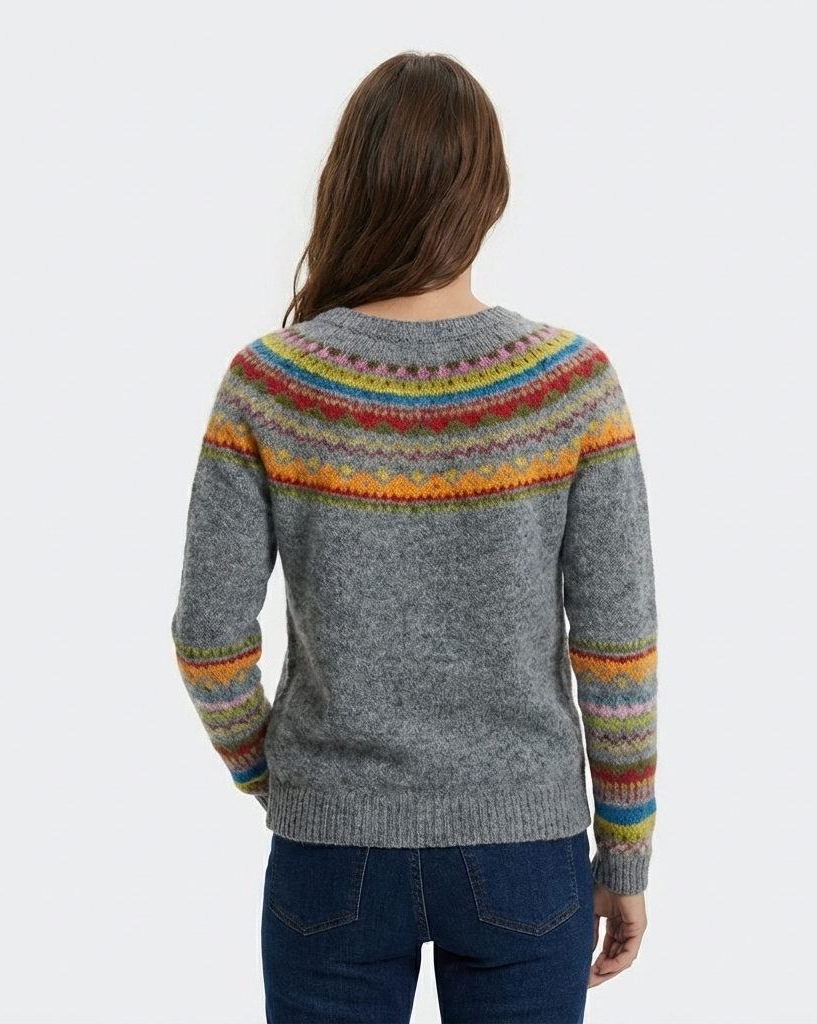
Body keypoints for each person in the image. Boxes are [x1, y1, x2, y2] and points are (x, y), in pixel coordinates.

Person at [171, 49, 657, 1024]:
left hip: (330, 851)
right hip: (527, 848)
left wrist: (282, 780)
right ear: (490, 193)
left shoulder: (268, 385)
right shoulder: (572, 386)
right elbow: (617, 647)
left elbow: (208, 638)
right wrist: (627, 852)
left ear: (349, 184)